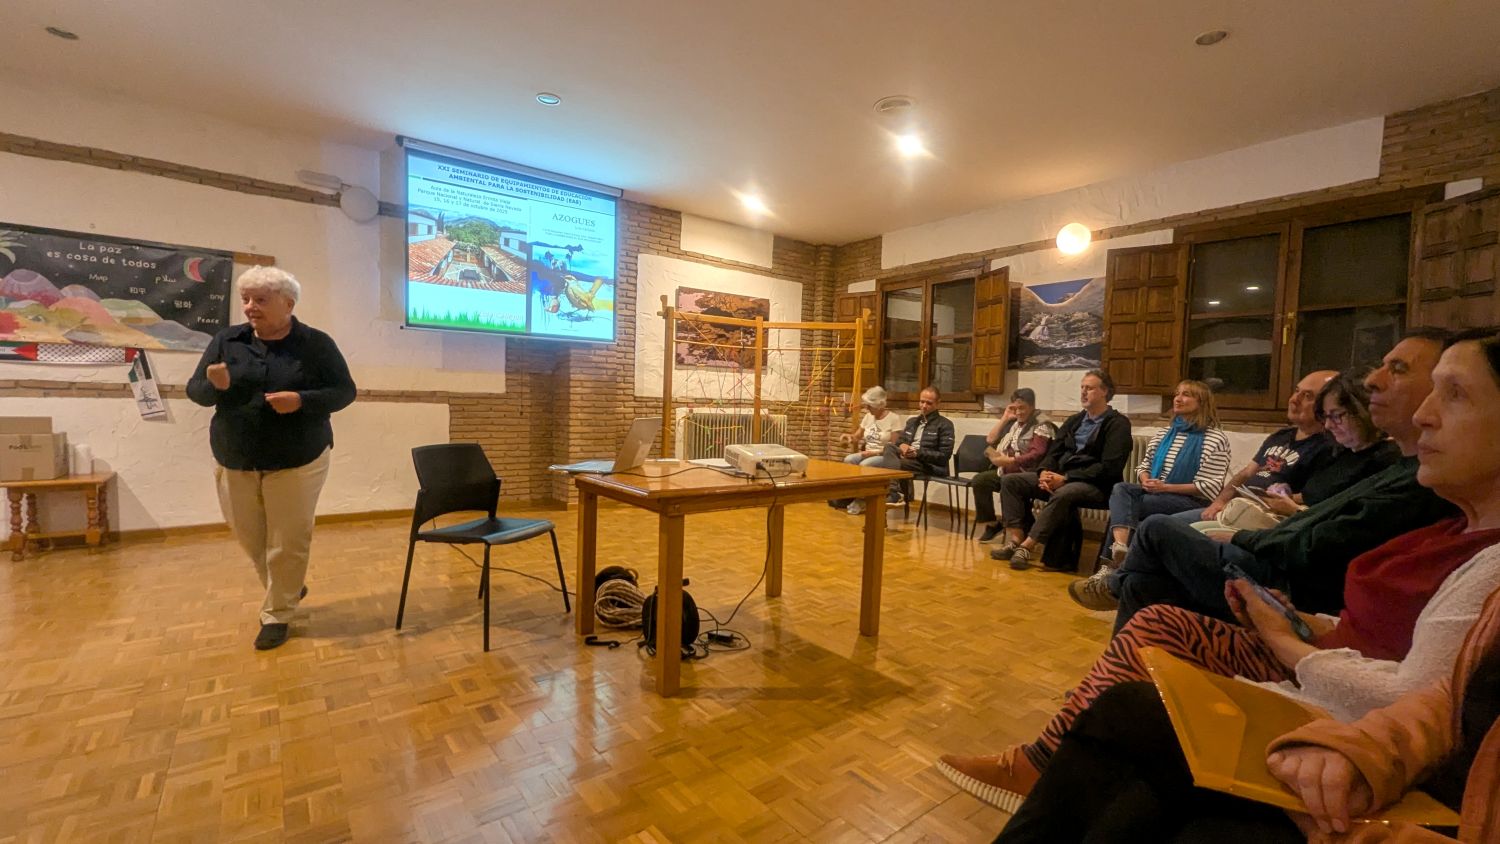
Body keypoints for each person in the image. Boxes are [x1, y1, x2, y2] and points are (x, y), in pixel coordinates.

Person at [943, 328, 1500, 820]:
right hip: (1282, 584)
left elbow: (1317, 543)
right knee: (1145, 574)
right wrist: (1302, 611)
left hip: (1287, 608)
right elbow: (1306, 529)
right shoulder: (1424, 500)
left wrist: (1282, 623)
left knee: (1155, 533)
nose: (1379, 386)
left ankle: (1106, 609)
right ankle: (1106, 668)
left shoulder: (1412, 496)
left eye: (1447, 391)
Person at [995, 586, 1500, 843]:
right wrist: (1367, 748)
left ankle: (1044, 758)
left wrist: (1350, 829)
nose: (1425, 420)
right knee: (1132, 704)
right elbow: (1455, 694)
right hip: (1356, 722)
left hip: (1401, 806)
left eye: (1454, 395)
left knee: (1157, 781)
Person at [1067, 330, 1457, 623]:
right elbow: (1264, 486)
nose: (1375, 382)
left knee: (1155, 526)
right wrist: (1225, 503)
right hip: (1252, 524)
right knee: (1139, 547)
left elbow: (1318, 532)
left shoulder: (1393, 468)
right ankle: (1120, 676)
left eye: (1398, 369)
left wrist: (1243, 531)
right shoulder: (1317, 447)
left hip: (1278, 564)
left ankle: (1115, 577)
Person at [187, 267, 357, 651]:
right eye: (246, 299)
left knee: (287, 540)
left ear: (288, 304)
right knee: (251, 538)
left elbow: (344, 391)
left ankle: (277, 614)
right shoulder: (227, 340)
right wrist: (213, 386)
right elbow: (196, 391)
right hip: (235, 455)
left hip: (298, 457)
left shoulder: (316, 344)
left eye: (261, 300)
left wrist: (301, 401)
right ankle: (289, 587)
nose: (250, 307)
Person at [991, 369, 1132, 570]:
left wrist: (1065, 478)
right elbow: (1054, 452)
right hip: (1062, 478)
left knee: (1065, 492)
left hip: (1097, 485)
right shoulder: (1075, 420)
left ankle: (1027, 547)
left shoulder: (1118, 424)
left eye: (1089, 388)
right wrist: (1044, 472)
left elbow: (1109, 467)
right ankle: (1015, 540)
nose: (1083, 392)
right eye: (1082, 387)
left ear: (1105, 392)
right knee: (1011, 481)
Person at [1172, 369, 1337, 524]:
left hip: (1268, 515)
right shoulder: (1281, 436)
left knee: (1163, 525)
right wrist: (1219, 502)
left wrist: (1277, 499)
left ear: (1328, 406)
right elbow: (1245, 473)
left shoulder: (1330, 447)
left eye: (1307, 396)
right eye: (1296, 391)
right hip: (1236, 506)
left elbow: (1315, 496)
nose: (1294, 399)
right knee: (1162, 525)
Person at [1101, 380, 1232, 563]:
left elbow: (1210, 485)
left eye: (1186, 395)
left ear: (1202, 402)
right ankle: (1120, 547)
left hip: (1189, 500)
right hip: (1157, 493)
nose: (1178, 398)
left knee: (1124, 508)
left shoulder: (1215, 439)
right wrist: (1146, 480)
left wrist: (1166, 487)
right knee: (1121, 490)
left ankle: (1110, 566)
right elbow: (1144, 466)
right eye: (1177, 394)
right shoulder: (1164, 434)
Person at [1258, 372, 1400, 517]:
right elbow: (1315, 496)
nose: (1328, 425)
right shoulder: (1340, 452)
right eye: (1325, 416)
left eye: (1336, 416)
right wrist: (1284, 494)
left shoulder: (1386, 460)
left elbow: (1353, 520)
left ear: (1364, 411)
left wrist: (1295, 510)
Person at [974, 389, 1057, 542]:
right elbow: (990, 439)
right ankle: (993, 524)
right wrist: (1005, 417)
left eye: (1022, 408)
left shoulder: (1042, 424)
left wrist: (1011, 461)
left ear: (1032, 406)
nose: (1018, 412)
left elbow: (1037, 454)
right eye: (1015, 408)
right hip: (1007, 470)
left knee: (1011, 484)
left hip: (1029, 472)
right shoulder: (1014, 423)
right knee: (980, 481)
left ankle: (1021, 533)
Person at [871, 386, 954, 505]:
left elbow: (944, 456)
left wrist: (917, 453)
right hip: (909, 459)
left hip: (929, 464)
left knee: (891, 464)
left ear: (937, 403)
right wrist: (903, 446)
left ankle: (894, 493)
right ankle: (898, 493)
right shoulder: (912, 422)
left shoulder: (945, 425)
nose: (924, 406)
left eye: (929, 403)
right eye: (922, 402)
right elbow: (899, 441)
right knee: (889, 447)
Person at [832, 386, 905, 515]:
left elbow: (894, 447)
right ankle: (851, 494)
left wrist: (874, 452)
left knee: (865, 464)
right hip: (868, 453)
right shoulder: (868, 417)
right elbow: (857, 436)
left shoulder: (893, 419)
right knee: (849, 459)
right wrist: (848, 438)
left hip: (883, 455)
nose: (867, 408)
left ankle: (864, 498)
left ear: (879, 405)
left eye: (869, 406)